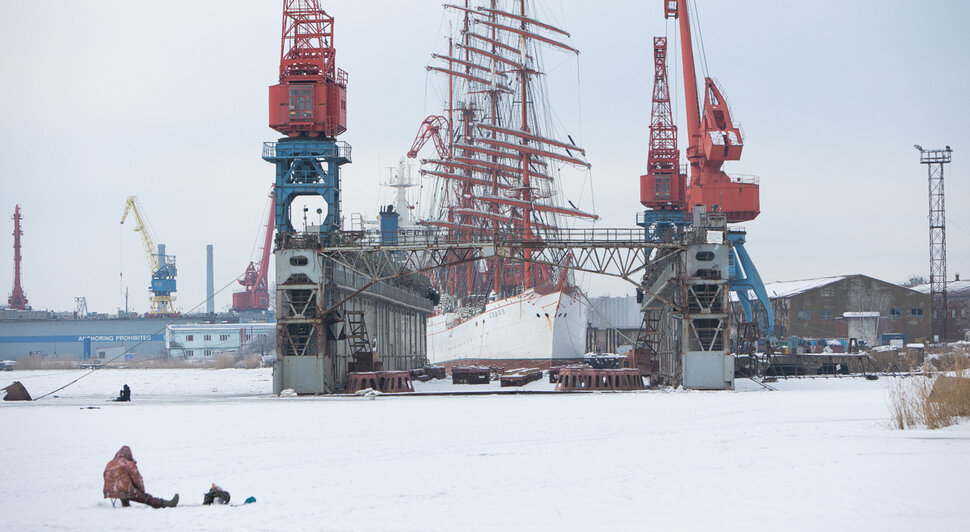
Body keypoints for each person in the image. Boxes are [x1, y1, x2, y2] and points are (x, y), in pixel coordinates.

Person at [103, 446, 178, 508]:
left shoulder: (109, 463)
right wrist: (142, 491)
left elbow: (105, 476)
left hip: (109, 492)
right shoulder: (128, 463)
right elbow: (137, 479)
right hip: (125, 491)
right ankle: (165, 504)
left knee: (122, 489)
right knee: (147, 498)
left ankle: (125, 502)